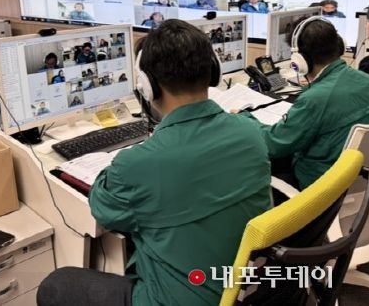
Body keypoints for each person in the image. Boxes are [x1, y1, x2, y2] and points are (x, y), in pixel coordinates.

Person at [37, 19, 271, 306]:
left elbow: (105, 210)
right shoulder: (250, 131)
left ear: (146, 87)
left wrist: (134, 159)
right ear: (213, 71)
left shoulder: (137, 163)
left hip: (179, 299)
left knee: (57, 285)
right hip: (243, 288)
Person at [238, 17, 369, 190]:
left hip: (320, 187)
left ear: (300, 59)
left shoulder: (315, 99)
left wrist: (244, 118)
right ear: (338, 45)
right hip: (365, 182)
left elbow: (274, 144)